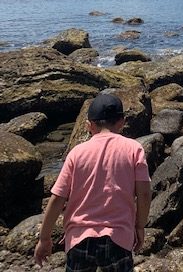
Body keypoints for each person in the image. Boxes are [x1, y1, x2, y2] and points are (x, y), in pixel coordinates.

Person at [34, 93, 151, 271]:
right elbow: (144, 192)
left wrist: (44, 238)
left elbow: (58, 198)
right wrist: (140, 226)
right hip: (118, 237)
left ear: (88, 125)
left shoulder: (77, 153)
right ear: (122, 122)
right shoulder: (134, 149)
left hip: (79, 237)